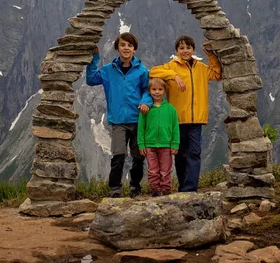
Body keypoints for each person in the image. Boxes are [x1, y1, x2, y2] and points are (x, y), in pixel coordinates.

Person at [149, 35, 222, 192]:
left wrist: (210, 55)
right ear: (176, 51)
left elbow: (216, 74)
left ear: (193, 50)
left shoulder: (201, 68)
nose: (185, 51)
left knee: (194, 153)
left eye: (188, 48)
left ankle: (190, 188)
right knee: (180, 155)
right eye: (181, 48)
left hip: (196, 120)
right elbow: (153, 72)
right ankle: (183, 186)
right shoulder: (171, 66)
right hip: (177, 120)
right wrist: (174, 76)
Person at [86, 32, 152, 198]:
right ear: (117, 48)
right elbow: (91, 79)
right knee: (118, 156)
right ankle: (115, 189)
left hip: (138, 119)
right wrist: (95, 58)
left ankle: (135, 187)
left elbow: (147, 90)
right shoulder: (109, 70)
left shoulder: (142, 71)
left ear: (134, 49)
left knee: (138, 157)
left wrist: (146, 102)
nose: (126, 48)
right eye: (122, 45)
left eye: (129, 45)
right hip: (118, 121)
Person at [137, 78, 180, 197]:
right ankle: (155, 190)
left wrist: (175, 144)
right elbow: (141, 128)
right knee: (153, 170)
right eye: (154, 89)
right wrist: (141, 144)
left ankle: (166, 189)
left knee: (165, 169)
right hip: (150, 145)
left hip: (166, 145)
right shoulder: (145, 109)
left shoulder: (171, 109)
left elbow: (175, 128)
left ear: (165, 91)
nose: (157, 92)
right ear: (149, 91)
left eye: (160, 89)